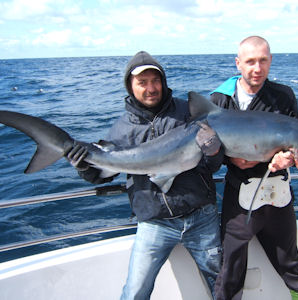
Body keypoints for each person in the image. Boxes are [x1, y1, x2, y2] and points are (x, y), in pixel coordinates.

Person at [65, 51, 224, 299]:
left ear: (164, 81)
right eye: (142, 82)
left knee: (222, 286)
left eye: (155, 80)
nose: (151, 88)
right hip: (154, 222)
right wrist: (84, 166)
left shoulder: (189, 113)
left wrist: (214, 151)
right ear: (130, 85)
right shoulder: (121, 130)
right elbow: (103, 175)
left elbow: (212, 164)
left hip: (201, 216)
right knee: (134, 291)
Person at [210, 36, 298, 300]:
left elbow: (297, 141)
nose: (256, 68)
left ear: (270, 61)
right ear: (238, 63)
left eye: (263, 61)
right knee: (230, 271)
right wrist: (229, 159)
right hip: (239, 194)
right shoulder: (220, 98)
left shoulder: (282, 96)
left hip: (277, 192)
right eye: (250, 61)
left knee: (290, 265)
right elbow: (210, 147)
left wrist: (286, 158)